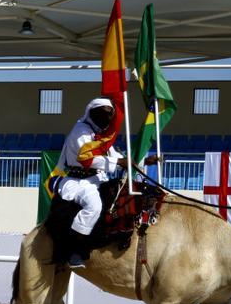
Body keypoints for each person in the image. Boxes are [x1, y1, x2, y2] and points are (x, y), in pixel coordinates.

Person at [56, 97, 157, 268]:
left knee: (123, 197)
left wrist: (143, 163)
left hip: (98, 179)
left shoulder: (101, 136)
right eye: (104, 114)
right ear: (92, 113)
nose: (108, 119)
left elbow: (118, 158)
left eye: (110, 115)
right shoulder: (80, 132)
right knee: (93, 206)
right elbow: (88, 159)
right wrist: (118, 163)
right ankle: (74, 249)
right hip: (80, 181)